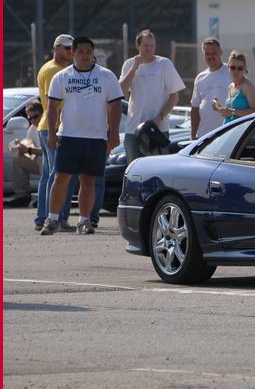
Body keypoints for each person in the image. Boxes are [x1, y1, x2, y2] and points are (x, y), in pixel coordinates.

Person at [41, 36, 123, 236]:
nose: (85, 55)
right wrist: (51, 134)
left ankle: (84, 221)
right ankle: (52, 219)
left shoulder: (106, 76)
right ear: (73, 53)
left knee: (89, 181)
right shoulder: (61, 76)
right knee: (61, 178)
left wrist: (113, 134)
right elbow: (52, 108)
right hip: (68, 136)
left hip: (95, 137)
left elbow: (115, 106)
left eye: (88, 51)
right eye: (80, 51)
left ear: (93, 53)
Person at [119, 29, 184, 162]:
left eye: (151, 46)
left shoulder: (164, 64)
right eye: (145, 45)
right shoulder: (129, 64)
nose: (149, 49)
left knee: (157, 171)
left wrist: (159, 118)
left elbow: (174, 96)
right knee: (134, 171)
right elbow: (120, 91)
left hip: (157, 129)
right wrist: (134, 69)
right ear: (138, 45)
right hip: (133, 129)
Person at [35, 33, 75, 231]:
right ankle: (54, 218)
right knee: (59, 174)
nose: (70, 52)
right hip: (55, 128)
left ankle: (42, 217)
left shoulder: (49, 68)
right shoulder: (55, 71)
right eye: (67, 48)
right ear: (56, 48)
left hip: (45, 126)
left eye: (71, 49)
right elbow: (56, 103)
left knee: (48, 175)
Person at [190, 37, 232, 140]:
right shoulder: (200, 78)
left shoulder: (231, 72)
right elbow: (195, 108)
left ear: (220, 52)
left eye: (214, 53)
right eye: (207, 54)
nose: (210, 56)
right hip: (205, 136)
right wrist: (193, 135)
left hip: (228, 134)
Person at [6, 101, 44, 207]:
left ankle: (45, 195)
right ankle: (22, 196)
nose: (32, 120)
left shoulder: (48, 126)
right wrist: (18, 146)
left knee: (43, 158)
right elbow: (31, 150)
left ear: (43, 114)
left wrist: (29, 150)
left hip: (51, 162)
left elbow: (49, 151)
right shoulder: (32, 129)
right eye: (30, 118)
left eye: (35, 117)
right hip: (40, 163)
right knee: (18, 159)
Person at [213, 50, 255, 124]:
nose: (236, 71)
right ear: (228, 68)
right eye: (233, 67)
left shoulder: (248, 86)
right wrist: (220, 108)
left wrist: (233, 112)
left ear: (245, 69)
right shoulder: (230, 86)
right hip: (230, 130)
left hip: (243, 132)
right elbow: (231, 112)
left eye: (240, 68)